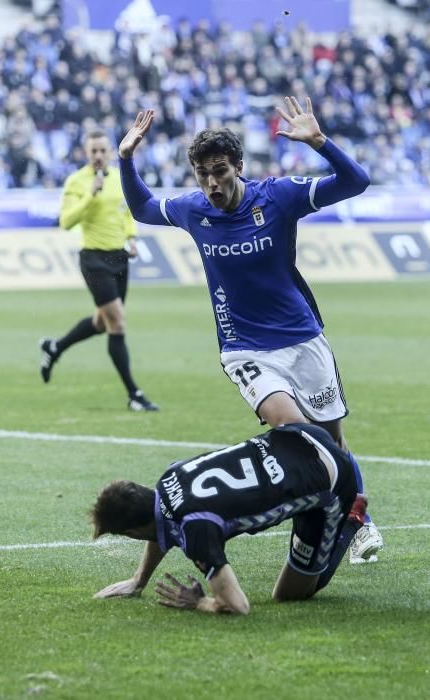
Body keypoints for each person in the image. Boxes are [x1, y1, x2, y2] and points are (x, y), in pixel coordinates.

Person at [115, 96, 382, 561]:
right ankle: (316, 519)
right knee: (298, 433)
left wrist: (320, 142)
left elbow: (355, 181)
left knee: (333, 439)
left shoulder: (277, 197)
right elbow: (141, 208)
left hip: (303, 338)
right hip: (245, 348)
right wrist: (125, 159)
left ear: (238, 165)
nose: (212, 183)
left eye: (219, 170)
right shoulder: (192, 209)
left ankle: (354, 519)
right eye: (203, 174)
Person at [92, 422, 366, 614]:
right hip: (299, 435)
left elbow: (238, 606)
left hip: (332, 480)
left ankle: (351, 517)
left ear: (132, 532)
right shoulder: (169, 477)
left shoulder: (196, 527)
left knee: (290, 594)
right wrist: (138, 580)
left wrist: (199, 602)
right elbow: (163, 524)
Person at [39, 128, 158, 412]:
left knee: (102, 322)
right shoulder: (76, 182)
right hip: (93, 259)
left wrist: (131, 237)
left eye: (103, 150)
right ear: (85, 152)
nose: (98, 156)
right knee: (117, 322)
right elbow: (66, 221)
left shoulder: (120, 179)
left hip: (120, 258)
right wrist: (90, 197)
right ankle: (134, 394)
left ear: (109, 152)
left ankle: (54, 347)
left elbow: (128, 212)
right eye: (93, 151)